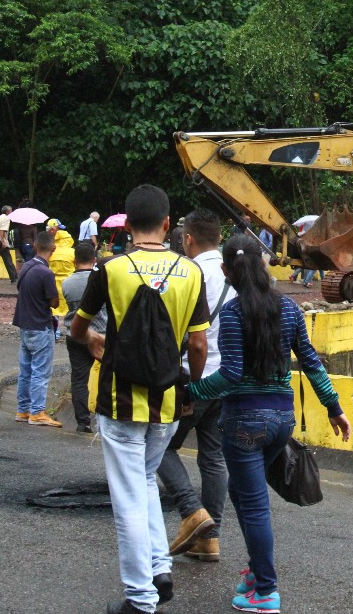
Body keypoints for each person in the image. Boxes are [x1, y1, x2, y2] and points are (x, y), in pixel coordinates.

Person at [188, 234, 352, 613]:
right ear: (265, 265)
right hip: (281, 420)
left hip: (243, 423)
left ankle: (264, 590)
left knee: (255, 504)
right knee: (241, 495)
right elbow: (311, 361)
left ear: (227, 271)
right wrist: (333, 406)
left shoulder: (230, 314)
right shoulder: (290, 310)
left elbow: (229, 375)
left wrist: (192, 391)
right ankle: (256, 570)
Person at [71, 184, 210, 614]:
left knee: (128, 497)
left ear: (127, 225)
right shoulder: (192, 273)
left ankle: (141, 598)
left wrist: (95, 340)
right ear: (169, 225)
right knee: (146, 480)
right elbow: (199, 344)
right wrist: (192, 388)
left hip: (119, 401)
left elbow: (78, 328)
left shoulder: (110, 270)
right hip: (167, 400)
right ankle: (158, 567)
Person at [158, 208, 233, 564]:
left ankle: (192, 512)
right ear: (218, 237)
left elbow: (190, 339)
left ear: (187, 239)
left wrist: (190, 387)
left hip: (193, 377)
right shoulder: (236, 274)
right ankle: (210, 539)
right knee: (214, 457)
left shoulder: (187, 273)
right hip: (229, 379)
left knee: (158, 447)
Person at [13, 231, 62, 427]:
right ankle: (37, 412)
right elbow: (54, 303)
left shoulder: (26, 266)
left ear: (34, 246)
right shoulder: (46, 273)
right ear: (53, 248)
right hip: (41, 325)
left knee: (25, 371)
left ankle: (22, 410)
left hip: (25, 324)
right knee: (41, 371)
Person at [62, 242, 106, 433]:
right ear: (94, 260)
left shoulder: (67, 283)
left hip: (75, 335)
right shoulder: (101, 280)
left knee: (79, 379)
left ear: (74, 261)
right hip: (101, 335)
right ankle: (106, 420)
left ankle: (83, 422)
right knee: (107, 377)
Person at [47, 219, 76, 339]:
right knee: (72, 308)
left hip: (54, 282)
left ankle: (56, 331)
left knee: (55, 309)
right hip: (69, 283)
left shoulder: (51, 251)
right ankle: (72, 331)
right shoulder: (72, 252)